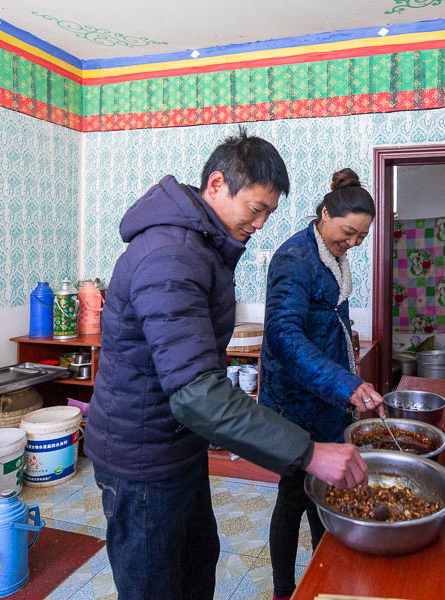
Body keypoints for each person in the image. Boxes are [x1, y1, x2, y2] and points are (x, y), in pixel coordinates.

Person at [84, 132, 368, 600]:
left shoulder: (201, 248)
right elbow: (198, 392)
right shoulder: (170, 255)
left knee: (197, 563)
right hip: (144, 456)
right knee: (157, 584)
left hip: (178, 445)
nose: (260, 223)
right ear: (217, 183)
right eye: (256, 209)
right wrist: (309, 453)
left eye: (268, 213)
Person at [259, 168, 384, 600]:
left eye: (361, 237)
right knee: (295, 493)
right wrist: (345, 384)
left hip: (326, 397)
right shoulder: (294, 259)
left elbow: (331, 325)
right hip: (294, 401)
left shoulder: (332, 255)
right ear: (326, 213)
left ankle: (323, 577)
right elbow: (284, 337)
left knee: (325, 492)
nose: (353, 243)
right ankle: (283, 590)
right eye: (348, 233)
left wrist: (350, 382)